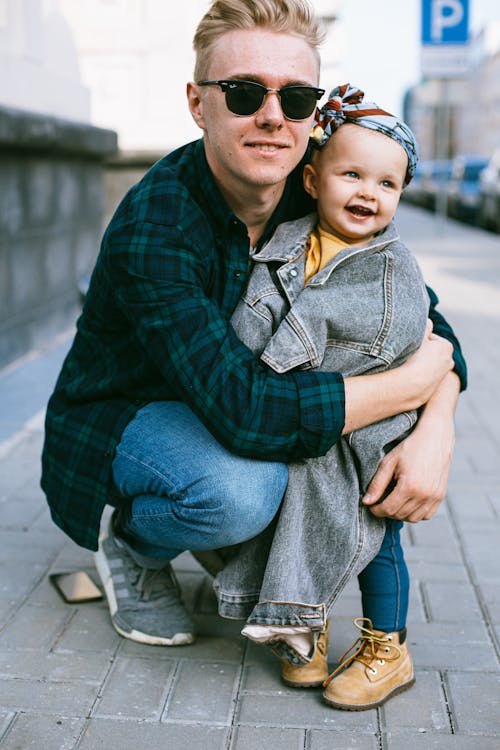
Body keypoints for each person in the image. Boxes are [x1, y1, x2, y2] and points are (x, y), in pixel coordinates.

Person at [41, 0, 464, 663]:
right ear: (197, 103)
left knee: (282, 465)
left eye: (296, 98)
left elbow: (420, 312)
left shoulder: (316, 188)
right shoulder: (157, 222)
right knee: (243, 492)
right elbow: (247, 415)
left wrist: (437, 427)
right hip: (125, 417)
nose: (272, 115)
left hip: (221, 408)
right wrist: (409, 384)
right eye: (243, 93)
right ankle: (129, 542)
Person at [217, 83, 434, 710]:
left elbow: (396, 338)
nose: (368, 192)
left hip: (371, 427)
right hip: (304, 418)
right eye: (352, 175)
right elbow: (250, 317)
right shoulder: (285, 242)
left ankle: (387, 647)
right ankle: (302, 624)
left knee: (377, 536)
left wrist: (285, 369)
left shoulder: (394, 267)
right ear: (312, 181)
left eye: (387, 184)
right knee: (292, 521)